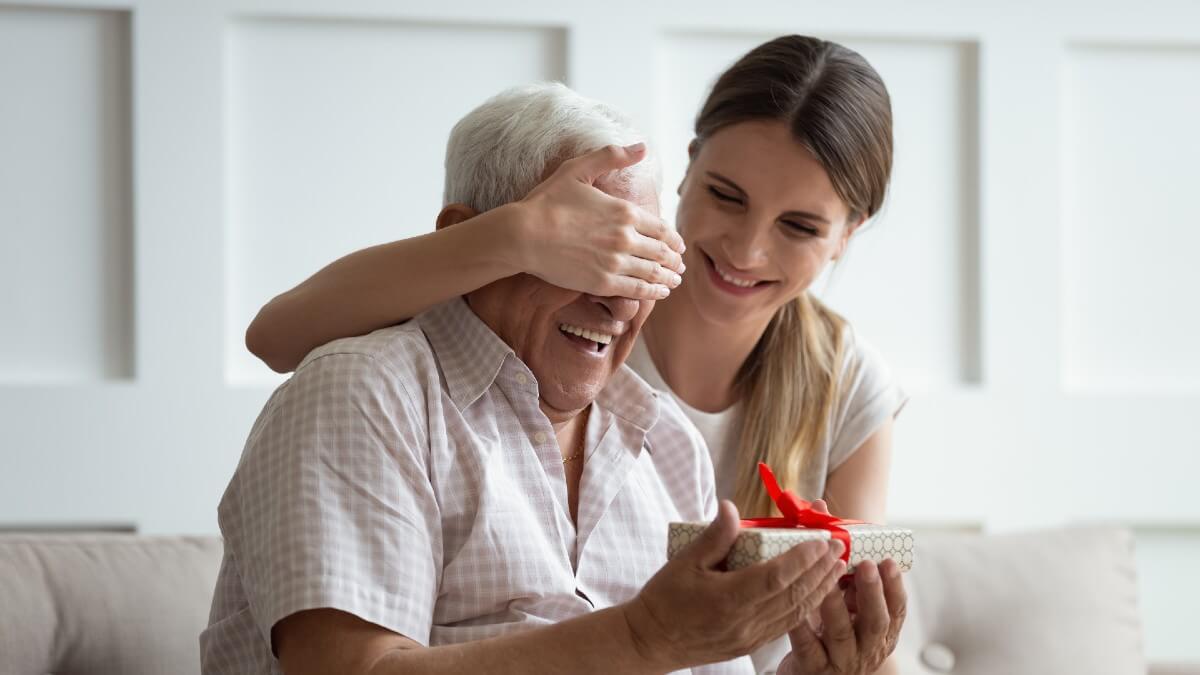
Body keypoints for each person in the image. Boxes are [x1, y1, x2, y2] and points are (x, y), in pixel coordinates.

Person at [245, 35, 908, 675]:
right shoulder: (380, 389)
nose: (745, 251)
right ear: (690, 171)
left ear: (848, 234)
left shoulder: (668, 440)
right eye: (589, 254)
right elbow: (277, 336)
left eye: (799, 225)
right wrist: (511, 236)